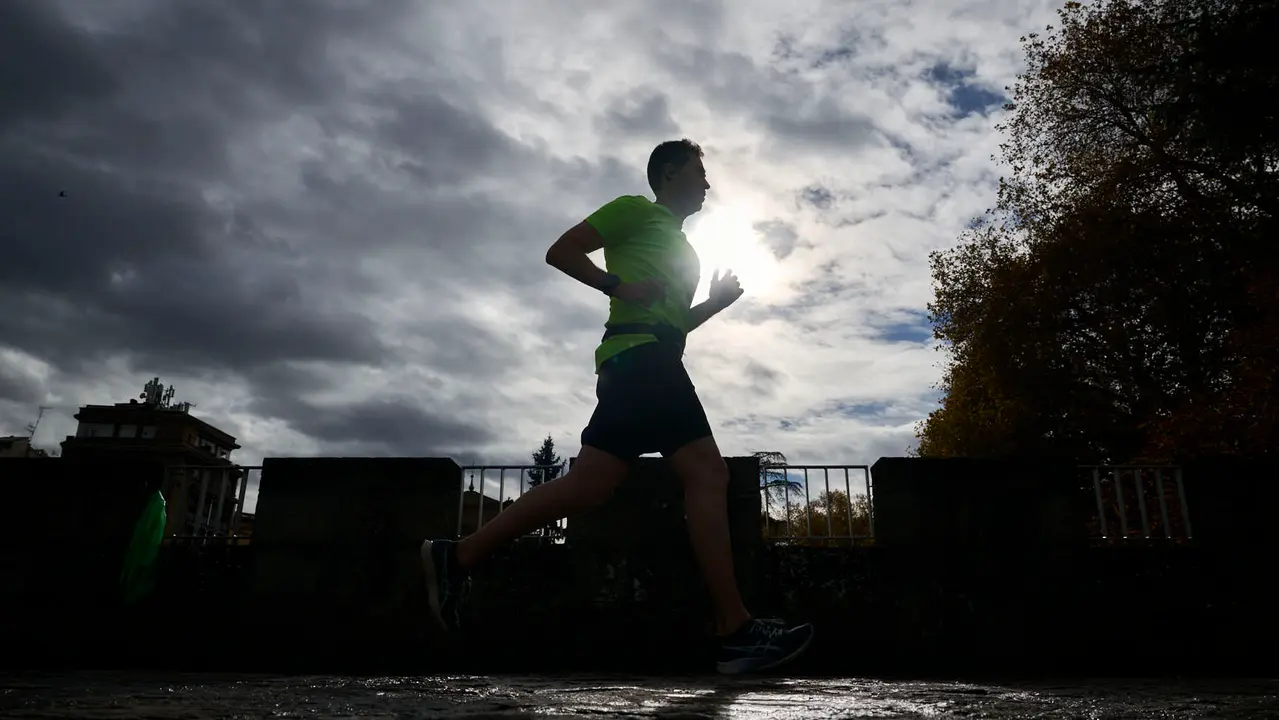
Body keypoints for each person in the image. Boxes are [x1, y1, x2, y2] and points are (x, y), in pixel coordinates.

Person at [420, 139, 814, 675]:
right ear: (669, 174)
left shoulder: (681, 246)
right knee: (707, 474)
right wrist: (617, 283)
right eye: (699, 172)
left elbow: (669, 324)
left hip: (640, 360)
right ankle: (735, 630)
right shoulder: (634, 210)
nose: (707, 183)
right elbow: (560, 251)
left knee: (592, 485)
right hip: (642, 361)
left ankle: (459, 555)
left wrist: (712, 307)